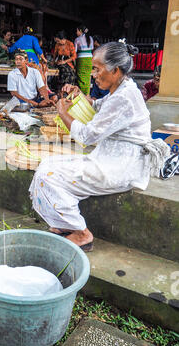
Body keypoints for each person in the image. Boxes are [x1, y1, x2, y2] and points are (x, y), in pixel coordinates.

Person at [29, 41, 169, 251]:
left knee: (48, 176)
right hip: (111, 158)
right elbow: (98, 105)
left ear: (116, 70)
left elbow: (86, 136)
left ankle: (81, 233)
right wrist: (79, 95)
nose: (93, 74)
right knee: (48, 164)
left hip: (121, 167)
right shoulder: (124, 88)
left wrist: (63, 112)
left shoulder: (124, 97)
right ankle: (62, 222)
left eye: (97, 69)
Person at [53, 30, 77, 95]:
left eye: (59, 41)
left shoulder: (70, 44)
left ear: (63, 39)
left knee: (70, 73)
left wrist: (65, 61)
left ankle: (68, 90)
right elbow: (55, 54)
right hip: (60, 62)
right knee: (63, 70)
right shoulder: (57, 45)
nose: (58, 42)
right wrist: (54, 62)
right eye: (57, 41)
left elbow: (74, 56)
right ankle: (62, 91)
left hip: (68, 62)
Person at [74, 24, 94, 95]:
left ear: (80, 31)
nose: (76, 33)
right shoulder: (91, 38)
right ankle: (87, 94)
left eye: (77, 31)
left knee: (81, 78)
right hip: (89, 59)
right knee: (87, 77)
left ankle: (82, 95)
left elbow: (75, 51)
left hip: (81, 59)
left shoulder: (77, 39)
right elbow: (92, 48)